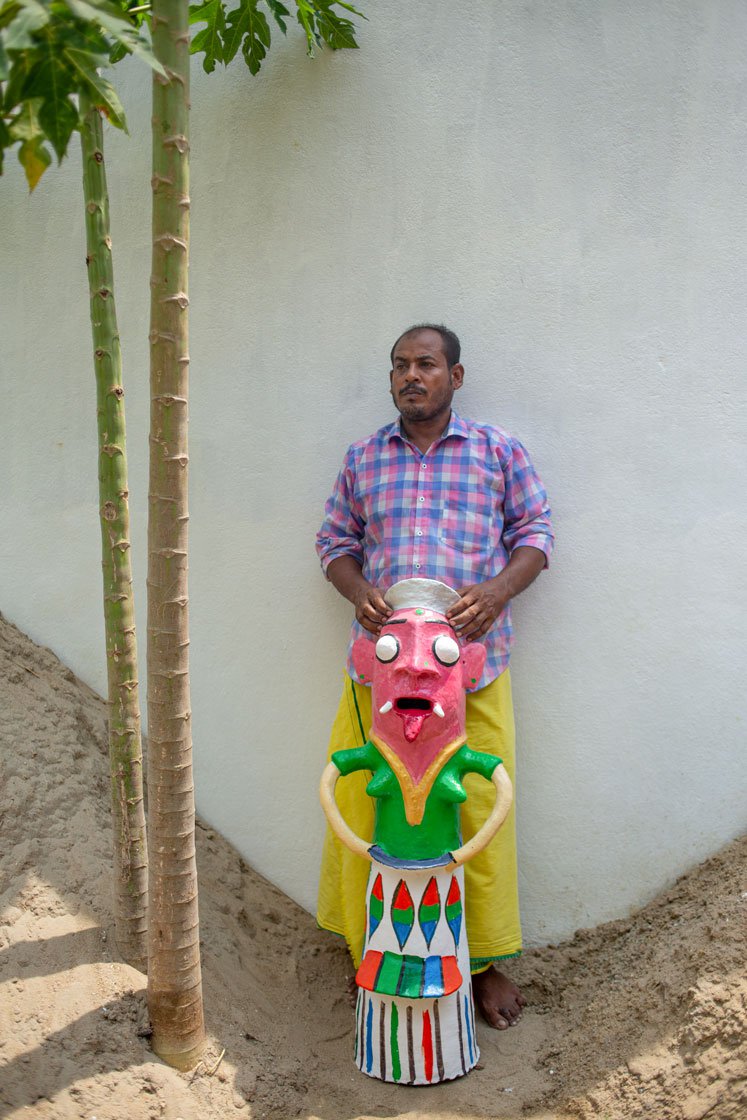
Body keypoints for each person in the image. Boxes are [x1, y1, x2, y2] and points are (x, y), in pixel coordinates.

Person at [315, 324, 554, 1030]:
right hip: (382, 679)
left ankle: (480, 960)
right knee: (365, 807)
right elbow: (334, 543)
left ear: (455, 375)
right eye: (399, 366)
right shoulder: (363, 459)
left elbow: (536, 532)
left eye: (425, 364)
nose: (410, 376)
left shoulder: (496, 452)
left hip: (472, 673)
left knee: (479, 812)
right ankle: (373, 951)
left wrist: (497, 591)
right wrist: (357, 590)